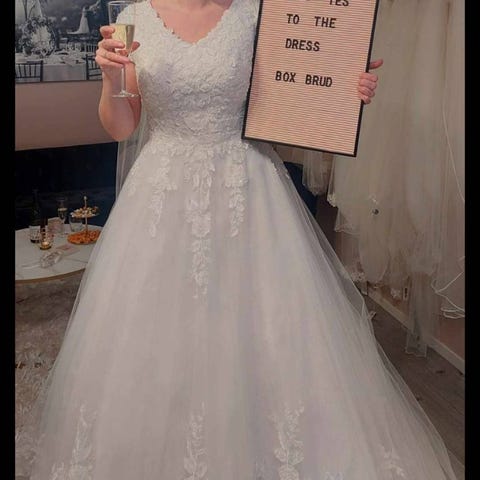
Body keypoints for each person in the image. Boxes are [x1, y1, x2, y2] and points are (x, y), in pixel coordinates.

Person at [26, 1, 458, 478]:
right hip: (162, 192)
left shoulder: (256, 13)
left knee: (267, 327)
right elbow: (122, 126)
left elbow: (291, 98)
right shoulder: (135, 16)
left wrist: (340, 92)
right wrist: (111, 79)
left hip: (247, 188)